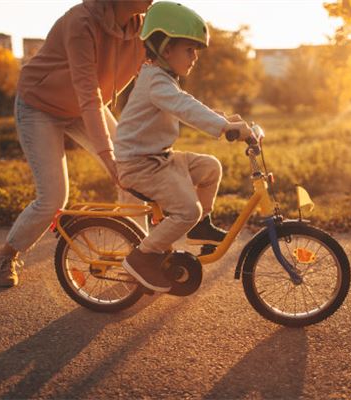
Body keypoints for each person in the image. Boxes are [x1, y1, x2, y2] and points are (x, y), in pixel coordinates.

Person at [0, 0, 153, 288]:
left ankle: (139, 257)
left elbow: (156, 80)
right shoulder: (81, 21)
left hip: (85, 107)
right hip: (40, 105)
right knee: (53, 198)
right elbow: (87, 92)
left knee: (133, 171)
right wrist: (108, 158)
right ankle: (9, 254)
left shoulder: (146, 26)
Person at [114, 1, 253, 293]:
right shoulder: (155, 82)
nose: (194, 58)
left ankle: (200, 226)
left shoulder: (163, 79)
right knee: (187, 209)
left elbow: (188, 104)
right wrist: (224, 128)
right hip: (138, 166)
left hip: (159, 159)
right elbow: (185, 108)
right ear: (166, 50)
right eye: (189, 50)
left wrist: (225, 119)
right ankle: (143, 256)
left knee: (210, 168)